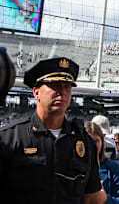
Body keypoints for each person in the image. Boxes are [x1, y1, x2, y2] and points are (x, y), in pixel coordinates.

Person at [0, 57, 106, 203]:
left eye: (67, 87)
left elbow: (91, 197)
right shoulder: (9, 138)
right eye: (55, 85)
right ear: (36, 92)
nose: (62, 92)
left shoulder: (85, 143)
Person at [85, 121, 119, 204]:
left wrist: (106, 199)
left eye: (96, 141)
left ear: (102, 142)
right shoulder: (71, 167)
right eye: (88, 141)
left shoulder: (113, 167)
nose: (93, 145)